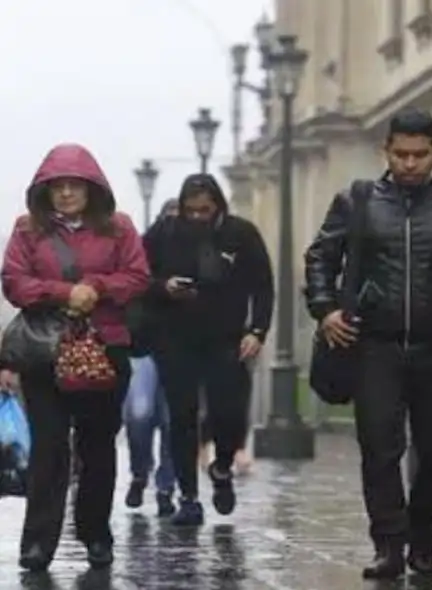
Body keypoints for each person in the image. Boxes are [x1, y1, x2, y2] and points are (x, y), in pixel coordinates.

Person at [304, 108, 432, 579]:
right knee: (379, 448)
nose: (410, 164)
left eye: (420, 155)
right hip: (375, 345)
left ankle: (422, 537)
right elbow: (320, 256)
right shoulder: (357, 201)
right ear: (386, 152)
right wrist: (325, 308)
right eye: (401, 154)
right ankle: (389, 544)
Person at [0, 143, 150, 571]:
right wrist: (67, 293)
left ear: (92, 189)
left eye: (74, 186)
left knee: (97, 445)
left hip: (104, 348)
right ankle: (37, 543)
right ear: (44, 192)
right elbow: (15, 281)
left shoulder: (119, 228)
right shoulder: (27, 229)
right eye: (56, 187)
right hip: (45, 351)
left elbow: (137, 276)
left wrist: (97, 290)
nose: (65, 194)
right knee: (48, 446)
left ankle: (95, 534)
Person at [143, 173, 274, 527]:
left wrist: (257, 330)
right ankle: (188, 496)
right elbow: (137, 276)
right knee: (182, 418)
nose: (198, 217)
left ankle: (222, 466)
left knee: (228, 412)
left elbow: (263, 285)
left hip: (227, 337)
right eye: (191, 210)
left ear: (217, 205)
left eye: (205, 210)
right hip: (176, 338)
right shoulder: (164, 233)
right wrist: (164, 287)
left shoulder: (241, 234)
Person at [123, 199, 179, 517]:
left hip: (179, 349)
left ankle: (165, 486)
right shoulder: (142, 250)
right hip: (142, 346)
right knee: (139, 415)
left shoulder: (198, 255)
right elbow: (132, 287)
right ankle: (140, 472)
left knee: (173, 421)